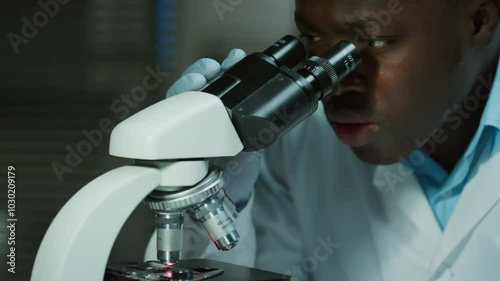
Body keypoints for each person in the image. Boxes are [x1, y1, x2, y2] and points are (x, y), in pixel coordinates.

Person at [146, 0, 500, 280]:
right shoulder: (294, 143)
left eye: (376, 41)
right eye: (312, 40)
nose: (337, 84)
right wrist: (213, 197)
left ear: (479, 19)